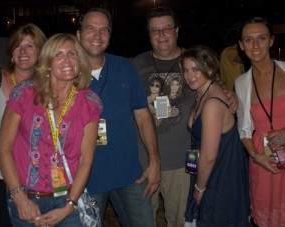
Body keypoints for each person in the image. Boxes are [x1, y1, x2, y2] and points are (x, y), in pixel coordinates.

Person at [131, 7, 239, 227]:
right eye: (155, 30)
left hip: (182, 165)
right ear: (149, 34)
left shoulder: (194, 61)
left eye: (166, 29)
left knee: (181, 222)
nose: (161, 35)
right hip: (142, 163)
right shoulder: (133, 65)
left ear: (177, 30)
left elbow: (215, 87)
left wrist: (231, 93)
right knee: (141, 221)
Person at [0, 33, 102, 226]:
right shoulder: (24, 93)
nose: (67, 60)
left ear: (79, 61)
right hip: (26, 198)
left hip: (67, 200)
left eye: (71, 53)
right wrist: (19, 198)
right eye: (58, 55)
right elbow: (4, 148)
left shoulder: (89, 102)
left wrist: (69, 206)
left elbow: (86, 160)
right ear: (47, 63)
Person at [76, 7, 161, 227]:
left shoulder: (125, 67)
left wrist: (154, 161)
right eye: (90, 28)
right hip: (84, 179)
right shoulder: (66, 71)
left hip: (129, 176)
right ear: (78, 34)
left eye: (104, 30)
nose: (98, 35)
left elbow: (143, 116)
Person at [180, 45, 249, 227]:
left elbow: (209, 156)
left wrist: (200, 188)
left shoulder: (211, 103)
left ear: (209, 69)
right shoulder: (201, 94)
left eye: (196, 69)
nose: (190, 75)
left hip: (219, 176)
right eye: (186, 70)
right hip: (209, 173)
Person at [0, 23, 46, 227]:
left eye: (30, 46)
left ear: (40, 52)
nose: (23, 51)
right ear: (11, 52)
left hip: (33, 178)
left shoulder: (48, 86)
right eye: (18, 45)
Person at [235, 16, 285, 227]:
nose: (255, 46)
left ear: (271, 41)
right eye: (248, 40)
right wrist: (256, 157)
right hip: (263, 160)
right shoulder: (241, 82)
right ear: (241, 45)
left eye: (261, 38)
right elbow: (244, 130)